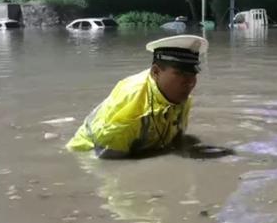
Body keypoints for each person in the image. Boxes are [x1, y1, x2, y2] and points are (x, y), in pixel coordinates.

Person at [66, 35, 207, 159]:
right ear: (155, 72)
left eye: (193, 74)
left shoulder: (181, 97)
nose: (189, 82)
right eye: (180, 73)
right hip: (89, 153)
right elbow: (110, 163)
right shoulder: (132, 105)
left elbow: (176, 141)